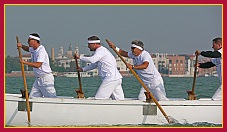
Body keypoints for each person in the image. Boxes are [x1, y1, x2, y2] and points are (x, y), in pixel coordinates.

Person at [74, 36, 124, 100]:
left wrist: (79, 57)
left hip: (110, 79)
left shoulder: (101, 51)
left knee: (99, 98)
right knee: (119, 99)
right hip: (116, 78)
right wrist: (83, 69)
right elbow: (94, 64)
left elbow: (93, 60)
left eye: (89, 44)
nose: (88, 46)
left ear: (94, 44)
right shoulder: (99, 52)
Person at [17, 33, 56, 98]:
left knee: (51, 98)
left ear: (35, 41)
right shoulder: (34, 49)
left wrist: (24, 62)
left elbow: (38, 65)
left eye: (29, 40)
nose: (28, 42)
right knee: (32, 98)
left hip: (46, 79)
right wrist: (21, 46)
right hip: (38, 80)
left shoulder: (41, 51)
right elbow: (27, 49)